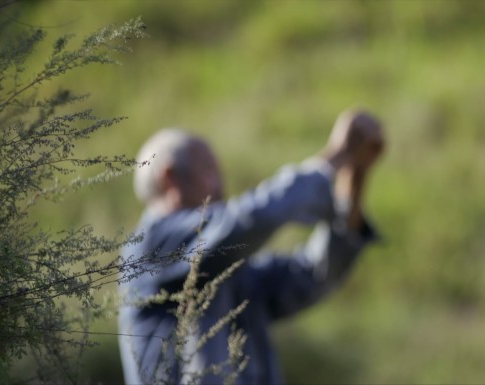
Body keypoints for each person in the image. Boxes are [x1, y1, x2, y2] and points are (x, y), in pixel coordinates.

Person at [118, 109, 385, 385]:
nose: (221, 186)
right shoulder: (152, 247)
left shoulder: (227, 272)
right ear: (170, 178)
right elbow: (250, 221)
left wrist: (355, 172)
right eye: (209, 171)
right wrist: (336, 156)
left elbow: (312, 275)